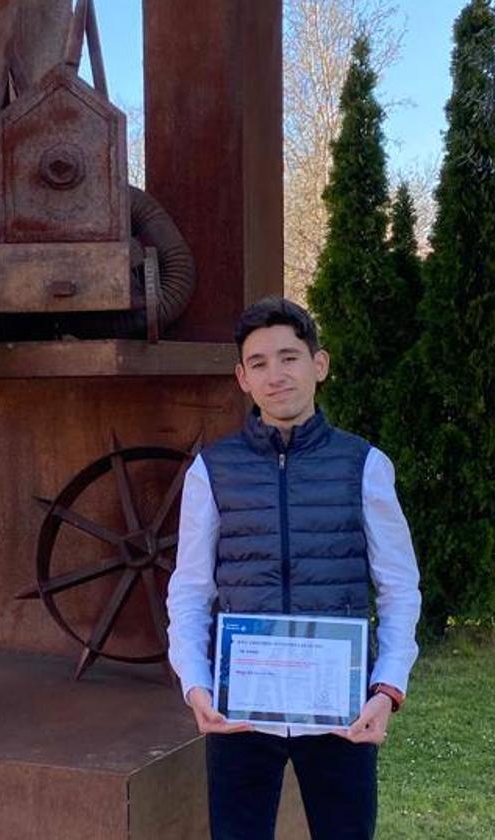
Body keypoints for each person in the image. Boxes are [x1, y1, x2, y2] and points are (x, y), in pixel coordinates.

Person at [166, 296, 421, 839]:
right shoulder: (212, 470)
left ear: (319, 364)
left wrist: (387, 688)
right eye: (258, 363)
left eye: (289, 357)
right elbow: (189, 588)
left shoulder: (365, 465)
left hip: (342, 712)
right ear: (242, 378)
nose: (275, 374)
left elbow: (399, 587)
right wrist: (195, 683)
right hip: (240, 713)